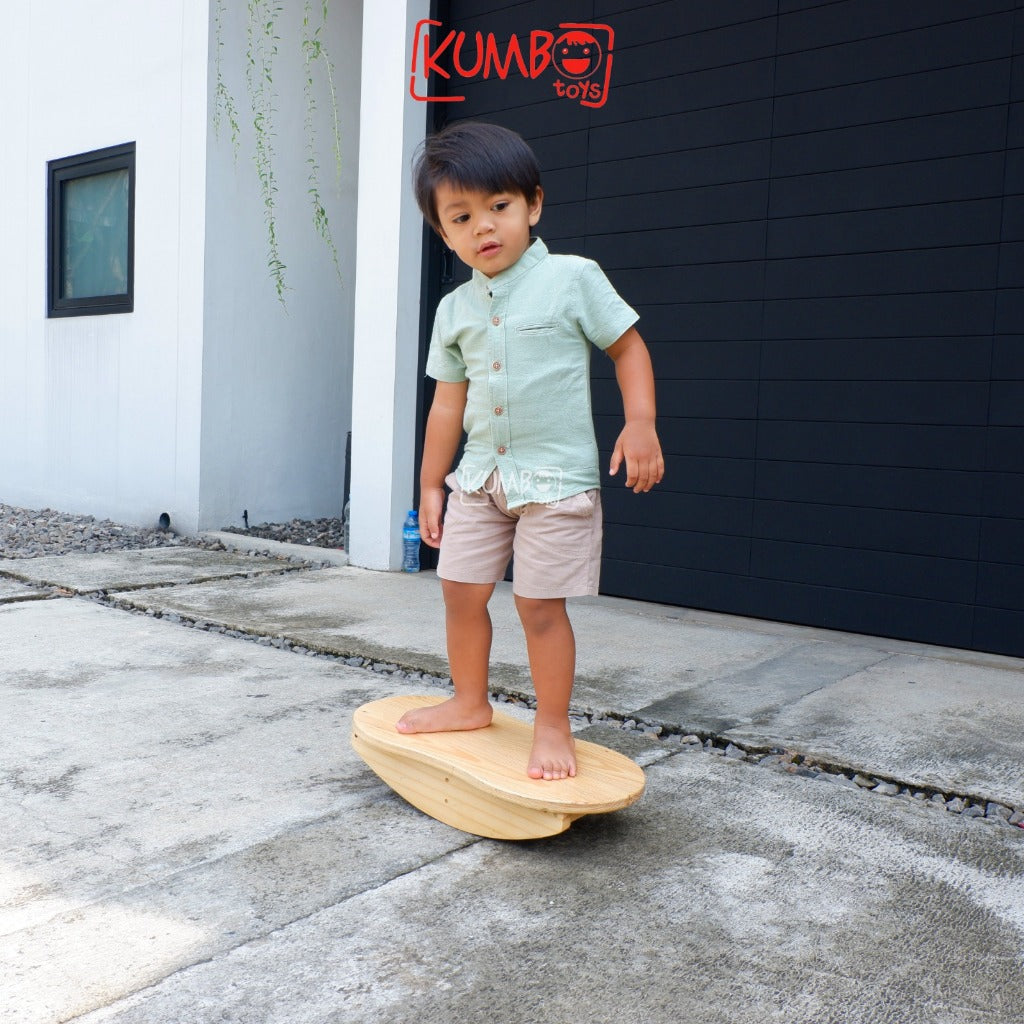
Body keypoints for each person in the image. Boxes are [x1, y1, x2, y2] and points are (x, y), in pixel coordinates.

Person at [397, 121, 663, 781]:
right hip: (480, 479)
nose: (484, 226)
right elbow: (447, 405)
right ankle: (468, 701)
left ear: (533, 205)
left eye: (500, 207)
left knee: (538, 606)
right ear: (443, 232)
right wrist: (432, 484)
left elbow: (627, 346)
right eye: (462, 216)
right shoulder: (454, 309)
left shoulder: (573, 279)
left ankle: (551, 723)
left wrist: (642, 424)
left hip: (554, 481)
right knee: (459, 588)